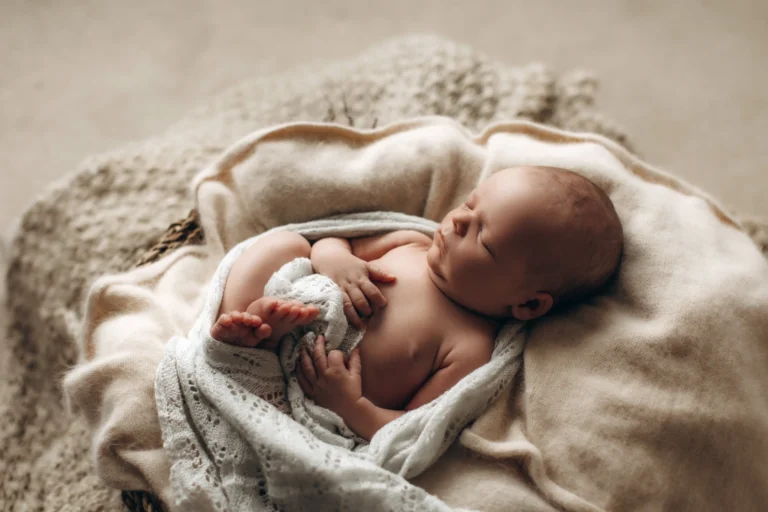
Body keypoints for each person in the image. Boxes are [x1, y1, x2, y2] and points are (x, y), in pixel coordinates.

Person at [211, 166, 624, 440]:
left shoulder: (469, 347)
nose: (458, 221)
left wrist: (350, 405)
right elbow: (334, 242)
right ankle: (248, 327)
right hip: (295, 311)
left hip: (306, 393)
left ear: (529, 305)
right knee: (286, 245)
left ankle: (255, 346)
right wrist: (338, 262)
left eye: (483, 238)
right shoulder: (412, 244)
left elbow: (413, 425)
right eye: (469, 205)